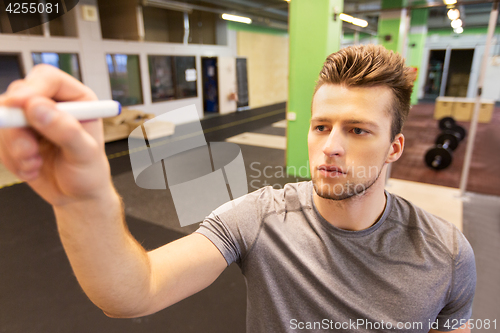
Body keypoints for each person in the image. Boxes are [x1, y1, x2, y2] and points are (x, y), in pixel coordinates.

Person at [0, 45, 475, 333]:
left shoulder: (447, 252)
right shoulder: (258, 217)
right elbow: (133, 292)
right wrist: (82, 199)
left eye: (357, 131)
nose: (329, 147)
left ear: (394, 148)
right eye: (321, 126)